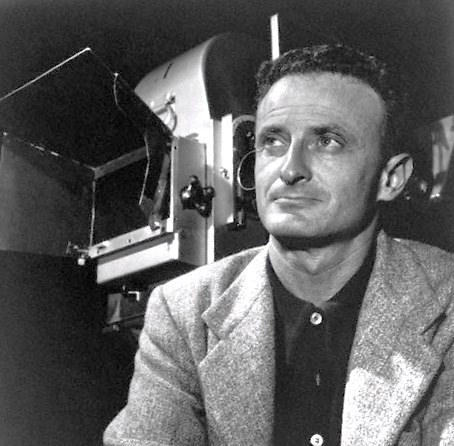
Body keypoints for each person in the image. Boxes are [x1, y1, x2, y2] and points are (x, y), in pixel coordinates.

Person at [103, 43, 454, 446]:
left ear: (390, 178)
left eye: (328, 141)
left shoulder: (446, 302)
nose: (290, 169)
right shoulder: (182, 313)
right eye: (273, 141)